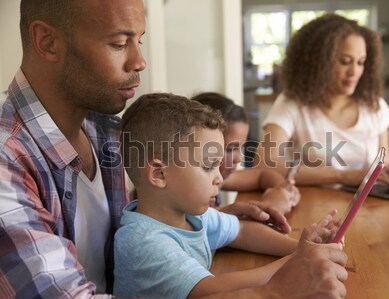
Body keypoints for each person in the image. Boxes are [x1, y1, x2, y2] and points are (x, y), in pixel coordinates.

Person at [0, 1, 348, 298]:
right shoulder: (7, 161)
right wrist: (274, 290)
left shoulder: (104, 127)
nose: (140, 61)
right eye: (120, 43)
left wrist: (212, 215)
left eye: (140, 40)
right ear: (47, 41)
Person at [114, 93, 343, 298]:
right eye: (208, 166)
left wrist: (300, 247)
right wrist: (299, 261)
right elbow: (213, 290)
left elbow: (242, 231)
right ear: (159, 173)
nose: (220, 179)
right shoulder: (144, 242)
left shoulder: (190, 216)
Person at [254, 13, 389, 187]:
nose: (354, 72)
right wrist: (342, 176)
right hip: (314, 207)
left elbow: (382, 165)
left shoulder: (373, 105)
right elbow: (264, 163)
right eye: (345, 61)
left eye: (361, 62)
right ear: (318, 62)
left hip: (369, 207)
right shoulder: (292, 104)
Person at [192, 92, 300, 215]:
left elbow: (262, 176)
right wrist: (268, 206)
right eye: (230, 149)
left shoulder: (219, 178)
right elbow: (216, 222)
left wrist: (282, 188)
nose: (239, 158)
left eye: (241, 147)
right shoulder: (194, 192)